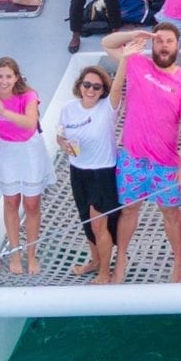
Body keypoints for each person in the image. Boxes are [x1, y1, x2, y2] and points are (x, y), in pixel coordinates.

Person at [99, 26, 181, 282]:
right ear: (152, 45)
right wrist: (135, 34)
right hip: (132, 159)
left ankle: (178, 262)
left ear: (178, 47)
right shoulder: (136, 63)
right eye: (159, 41)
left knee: (171, 213)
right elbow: (108, 43)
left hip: (165, 164)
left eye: (169, 41)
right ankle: (121, 258)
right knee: (129, 211)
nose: (164, 45)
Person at [56, 65, 121, 280]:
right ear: (79, 85)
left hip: (102, 173)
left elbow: (118, 85)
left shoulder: (107, 107)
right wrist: (62, 142)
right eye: (87, 85)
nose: (91, 90)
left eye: (97, 87)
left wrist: (125, 60)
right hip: (78, 171)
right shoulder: (68, 108)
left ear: (103, 90)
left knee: (99, 224)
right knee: (86, 221)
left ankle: (105, 271)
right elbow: (60, 133)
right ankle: (95, 261)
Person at [0, 57, 49, 276]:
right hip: (7, 150)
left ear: (16, 78)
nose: (3, 81)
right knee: (11, 201)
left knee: (31, 204)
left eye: (8, 76)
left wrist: (4, 112)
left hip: (29, 149)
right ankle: (15, 252)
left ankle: (31, 254)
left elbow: (30, 123)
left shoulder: (28, 96)